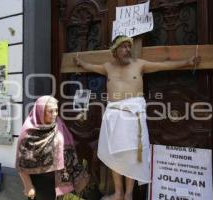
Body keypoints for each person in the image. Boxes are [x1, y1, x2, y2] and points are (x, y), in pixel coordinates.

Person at [73, 35, 201, 200]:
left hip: (133, 116)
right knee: (115, 154)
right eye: (123, 47)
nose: (127, 50)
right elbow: (90, 67)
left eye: (129, 47)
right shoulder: (107, 67)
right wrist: (80, 63)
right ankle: (118, 193)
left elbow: (164, 65)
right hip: (113, 116)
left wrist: (186, 62)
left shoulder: (139, 64)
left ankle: (128, 194)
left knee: (132, 155)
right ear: (115, 51)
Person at [16, 96, 90, 199]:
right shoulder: (29, 134)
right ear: (40, 112)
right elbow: (21, 163)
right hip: (40, 182)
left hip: (61, 180)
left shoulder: (59, 124)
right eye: (50, 111)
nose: (55, 114)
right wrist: (28, 186)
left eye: (56, 110)